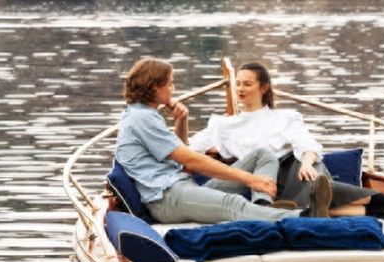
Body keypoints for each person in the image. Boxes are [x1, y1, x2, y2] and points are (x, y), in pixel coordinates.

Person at [191, 62, 383, 217]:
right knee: (321, 198)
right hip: (264, 181)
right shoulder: (222, 125)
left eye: (247, 84)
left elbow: (306, 143)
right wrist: (190, 128)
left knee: (316, 185)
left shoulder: (284, 117)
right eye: (238, 83)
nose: (240, 88)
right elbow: (187, 151)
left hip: (295, 168)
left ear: (264, 88)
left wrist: (307, 163)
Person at [113, 57, 288, 224]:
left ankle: (262, 207)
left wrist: (181, 121)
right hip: (166, 198)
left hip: (182, 186)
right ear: (154, 87)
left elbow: (182, 158)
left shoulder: (145, 114)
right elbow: (191, 161)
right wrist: (250, 179)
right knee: (232, 203)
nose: (172, 88)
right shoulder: (142, 119)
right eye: (170, 83)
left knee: (262, 155)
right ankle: (303, 218)